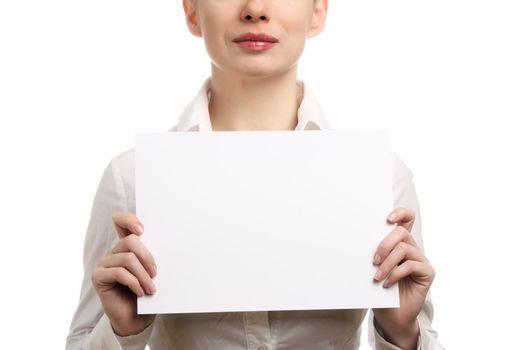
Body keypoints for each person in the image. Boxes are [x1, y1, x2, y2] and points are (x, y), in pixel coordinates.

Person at [66, 0, 443, 349]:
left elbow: (418, 332)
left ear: (317, 12)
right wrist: (121, 330)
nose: (256, 9)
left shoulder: (379, 176)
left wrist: (402, 332)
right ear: (192, 12)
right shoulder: (132, 177)